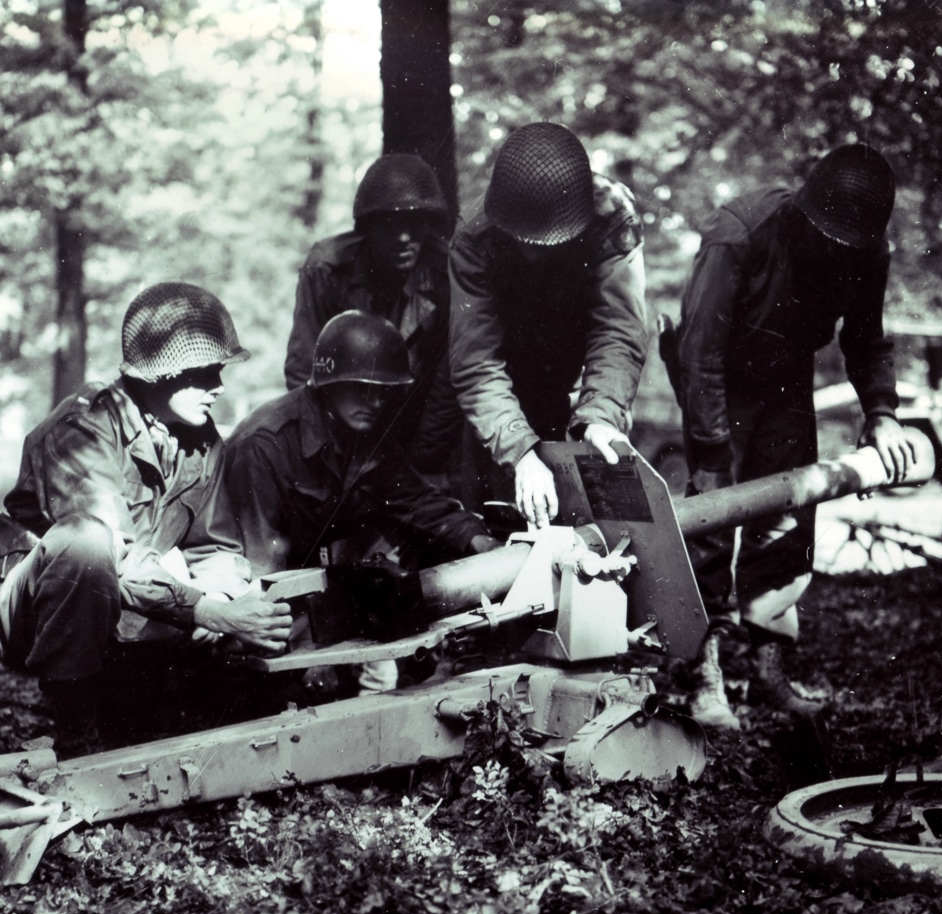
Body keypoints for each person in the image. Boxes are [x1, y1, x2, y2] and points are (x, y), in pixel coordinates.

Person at [0, 283, 294, 757]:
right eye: (205, 373)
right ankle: (75, 732)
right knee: (86, 543)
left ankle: (143, 703)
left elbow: (214, 546)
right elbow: (112, 559)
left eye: (219, 369)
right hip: (34, 612)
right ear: (160, 375)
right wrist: (211, 611)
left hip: (124, 610)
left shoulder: (201, 442)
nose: (219, 385)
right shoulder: (82, 430)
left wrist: (220, 600)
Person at [667, 143, 916, 725]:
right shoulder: (740, 233)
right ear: (805, 215)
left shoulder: (867, 251)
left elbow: (866, 337)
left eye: (846, 247)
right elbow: (700, 351)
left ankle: (768, 667)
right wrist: (709, 452)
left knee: (790, 512)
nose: (835, 253)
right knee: (711, 517)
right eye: (826, 239)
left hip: (785, 377)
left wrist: (882, 413)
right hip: (719, 375)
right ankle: (703, 673)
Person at [211, 310, 500, 694]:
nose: (376, 401)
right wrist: (306, 658)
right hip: (250, 611)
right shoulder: (267, 444)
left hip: (314, 592)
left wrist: (479, 541)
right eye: (363, 388)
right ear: (328, 384)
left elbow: (414, 499)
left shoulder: (362, 432)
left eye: (384, 390)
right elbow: (261, 575)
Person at [449, 121, 648, 525]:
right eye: (520, 239)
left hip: (565, 369)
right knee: (484, 506)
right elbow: (476, 360)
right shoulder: (474, 236)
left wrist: (601, 416)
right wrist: (520, 451)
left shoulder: (611, 218)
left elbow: (618, 329)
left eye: (546, 242)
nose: (532, 254)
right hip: (498, 379)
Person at [283, 153, 460, 476]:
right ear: (370, 226)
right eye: (392, 224)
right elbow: (304, 371)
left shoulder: (445, 273)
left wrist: (417, 468)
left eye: (415, 223)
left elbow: (447, 384)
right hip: (340, 434)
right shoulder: (328, 267)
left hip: (418, 436)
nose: (405, 237)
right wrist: (329, 457)